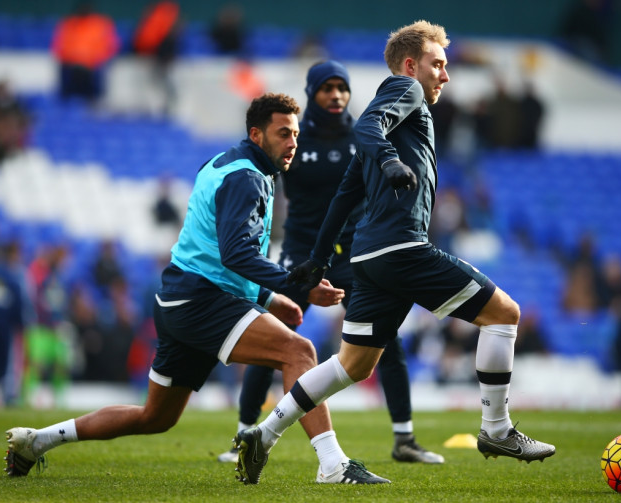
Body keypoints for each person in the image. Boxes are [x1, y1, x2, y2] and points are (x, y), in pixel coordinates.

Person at [4, 93, 388, 485]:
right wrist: (299, 287)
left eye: (295, 134)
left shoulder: (224, 165)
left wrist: (270, 298)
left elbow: (213, 251)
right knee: (299, 351)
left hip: (180, 298)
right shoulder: (247, 178)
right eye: (283, 134)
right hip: (201, 299)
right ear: (256, 134)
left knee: (155, 417)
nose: (293, 143)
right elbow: (235, 254)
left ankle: (38, 441)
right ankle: (332, 464)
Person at [234, 21, 555, 480]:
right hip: (402, 248)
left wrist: (319, 258)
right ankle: (497, 429)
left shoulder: (388, 126)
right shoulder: (405, 90)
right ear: (411, 65)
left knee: (353, 365)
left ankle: (261, 436)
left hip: (368, 256)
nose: (445, 76)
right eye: (437, 65)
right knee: (504, 313)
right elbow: (369, 126)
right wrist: (388, 159)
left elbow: (346, 194)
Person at [217, 61, 443, 465]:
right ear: (311, 92)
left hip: (355, 252)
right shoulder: (291, 138)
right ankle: (242, 435)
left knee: (386, 341)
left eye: (342, 88)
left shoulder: (367, 134)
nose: (336, 95)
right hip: (302, 254)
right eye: (327, 88)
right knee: (273, 340)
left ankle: (404, 439)